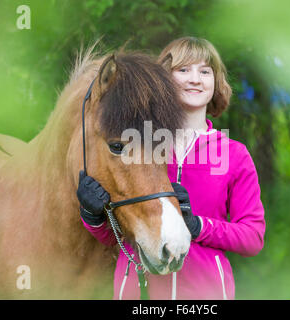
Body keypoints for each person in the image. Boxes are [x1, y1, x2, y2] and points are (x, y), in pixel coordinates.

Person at [77, 37, 266, 300]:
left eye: (205, 71)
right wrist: (93, 216)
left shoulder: (233, 154)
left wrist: (199, 226)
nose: (195, 79)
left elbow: (252, 237)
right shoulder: (138, 145)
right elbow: (117, 238)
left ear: (216, 82)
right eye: (183, 70)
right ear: (162, 80)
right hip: (138, 295)